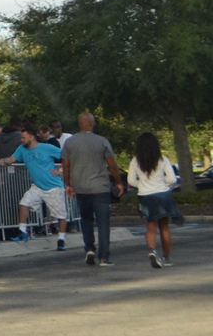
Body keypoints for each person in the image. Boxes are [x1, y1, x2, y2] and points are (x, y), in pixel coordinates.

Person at [59, 112, 123, 267]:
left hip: (80, 187)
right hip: (100, 187)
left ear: (80, 124)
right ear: (92, 123)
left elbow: (66, 165)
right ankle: (104, 257)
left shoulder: (70, 142)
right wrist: (119, 181)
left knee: (86, 219)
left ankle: (89, 249)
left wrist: (68, 184)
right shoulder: (102, 141)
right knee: (102, 223)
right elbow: (111, 164)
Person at [125, 133, 182, 269]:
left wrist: (142, 185)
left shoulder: (135, 161)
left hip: (145, 196)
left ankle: (152, 251)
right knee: (164, 227)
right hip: (162, 195)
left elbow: (131, 180)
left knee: (150, 227)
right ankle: (166, 257)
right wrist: (163, 183)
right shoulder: (163, 160)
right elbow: (173, 179)